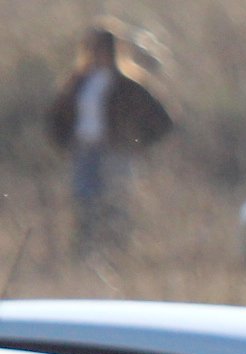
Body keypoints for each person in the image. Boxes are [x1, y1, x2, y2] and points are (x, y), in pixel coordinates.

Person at [45, 21, 173, 260]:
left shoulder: (128, 85)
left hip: (115, 151)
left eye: (102, 48)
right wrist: (64, 143)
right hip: (83, 150)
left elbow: (161, 120)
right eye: (93, 47)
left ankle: (117, 253)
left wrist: (136, 145)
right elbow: (58, 117)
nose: (97, 53)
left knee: (115, 204)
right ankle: (85, 253)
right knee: (84, 203)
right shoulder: (78, 82)